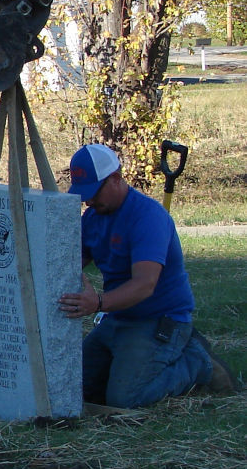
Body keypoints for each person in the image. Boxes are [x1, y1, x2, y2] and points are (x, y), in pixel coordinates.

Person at [58, 143, 239, 408]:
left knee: (126, 399)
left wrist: (95, 303)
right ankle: (128, 367)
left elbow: (144, 285)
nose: (89, 201)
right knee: (73, 386)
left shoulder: (148, 217)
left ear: (116, 179)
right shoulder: (94, 217)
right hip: (118, 318)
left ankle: (196, 363)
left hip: (159, 321)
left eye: (94, 192)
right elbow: (72, 261)